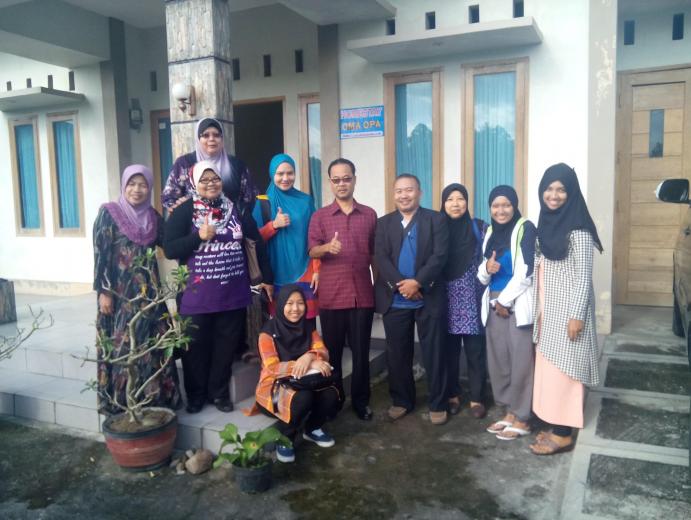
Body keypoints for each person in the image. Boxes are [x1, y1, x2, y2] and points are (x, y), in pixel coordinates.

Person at [163, 160, 256, 414]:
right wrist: (198, 237)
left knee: (225, 347)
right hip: (197, 296)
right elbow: (170, 248)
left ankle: (219, 393)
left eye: (215, 178)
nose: (211, 184)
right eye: (204, 180)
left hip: (232, 294)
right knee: (195, 348)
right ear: (194, 183)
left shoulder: (234, 208)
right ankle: (196, 395)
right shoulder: (185, 211)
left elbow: (253, 239)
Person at [93, 164, 181, 414]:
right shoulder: (109, 213)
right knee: (124, 345)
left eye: (143, 185)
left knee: (155, 344)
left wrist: (180, 215)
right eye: (132, 184)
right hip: (120, 295)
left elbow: (170, 245)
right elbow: (100, 254)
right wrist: (104, 291)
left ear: (149, 188)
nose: (137, 189)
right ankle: (123, 403)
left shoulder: (153, 217)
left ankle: (156, 400)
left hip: (150, 295)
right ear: (124, 185)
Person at [530, 163, 603, 455]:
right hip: (548, 310)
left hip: (569, 312)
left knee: (566, 371)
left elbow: (584, 277)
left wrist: (576, 316)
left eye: (561, 189)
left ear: (571, 193)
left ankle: (563, 435)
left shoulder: (579, 230)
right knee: (551, 370)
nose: (554, 195)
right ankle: (555, 424)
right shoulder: (546, 224)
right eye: (549, 188)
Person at [374, 174, 449, 425]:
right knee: (397, 354)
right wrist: (403, 285)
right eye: (399, 191)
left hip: (428, 297)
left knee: (435, 353)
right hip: (395, 299)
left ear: (420, 192)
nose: (403, 195)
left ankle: (438, 403)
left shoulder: (436, 220)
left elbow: (440, 256)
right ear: (393, 194)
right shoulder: (384, 223)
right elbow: (381, 258)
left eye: (409, 190)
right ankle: (402, 400)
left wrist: (417, 282)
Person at [308, 158, 377, 421]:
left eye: (346, 178)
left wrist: (380, 288)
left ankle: (361, 402)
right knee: (333, 354)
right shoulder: (320, 216)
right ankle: (334, 401)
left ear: (354, 180)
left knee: (361, 353)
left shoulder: (369, 214)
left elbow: (375, 254)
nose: (342, 184)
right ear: (330, 183)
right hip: (332, 296)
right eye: (336, 180)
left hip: (362, 296)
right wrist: (327, 248)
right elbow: (312, 250)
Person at [255, 285, 340, 463]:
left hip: (303, 382)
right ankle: (285, 438)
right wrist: (300, 364)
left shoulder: (308, 327)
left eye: (300, 303)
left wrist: (309, 357)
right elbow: (272, 367)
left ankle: (312, 428)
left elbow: (323, 351)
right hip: (274, 387)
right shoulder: (267, 332)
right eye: (290, 303)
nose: (295, 308)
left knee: (331, 393)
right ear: (280, 305)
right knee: (303, 397)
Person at [478, 186, 536, 440]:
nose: (500, 210)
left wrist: (503, 300)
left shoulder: (526, 228)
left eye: (506, 205)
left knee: (520, 360)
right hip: (493, 301)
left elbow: (526, 271)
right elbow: (482, 273)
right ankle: (509, 411)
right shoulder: (490, 231)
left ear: (514, 206)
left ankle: (523, 417)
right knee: (499, 359)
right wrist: (487, 269)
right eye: (495, 206)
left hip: (516, 301)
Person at [252, 153, 319, 324]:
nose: (285, 178)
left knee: (306, 323)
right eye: (280, 173)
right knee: (280, 325)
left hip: (305, 271)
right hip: (274, 275)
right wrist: (273, 225)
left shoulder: (306, 201)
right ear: (272, 174)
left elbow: (316, 236)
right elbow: (253, 241)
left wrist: (317, 269)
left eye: (290, 173)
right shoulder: (262, 203)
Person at [440, 183, 489, 419]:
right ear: (443, 204)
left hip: (472, 300)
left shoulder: (479, 227)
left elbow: (492, 254)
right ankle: (452, 394)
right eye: (450, 199)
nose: (455, 204)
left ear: (467, 202)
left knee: (475, 351)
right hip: (445, 299)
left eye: (460, 198)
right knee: (449, 352)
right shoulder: (437, 228)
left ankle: (477, 397)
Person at [161, 117, 256, 216]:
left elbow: (251, 197)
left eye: (216, 135)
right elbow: (169, 197)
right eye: (206, 135)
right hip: (193, 222)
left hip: (232, 221)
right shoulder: (184, 163)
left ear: (222, 139)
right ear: (198, 139)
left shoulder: (236, 165)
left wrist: (233, 212)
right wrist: (184, 206)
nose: (211, 139)